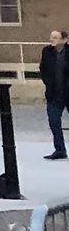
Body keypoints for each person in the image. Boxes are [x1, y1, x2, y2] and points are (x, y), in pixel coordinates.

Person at [42, 28, 69, 160]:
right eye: (51, 37)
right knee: (54, 122)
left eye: (55, 37)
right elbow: (43, 69)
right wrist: (48, 83)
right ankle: (60, 150)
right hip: (54, 94)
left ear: (64, 40)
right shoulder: (46, 51)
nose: (51, 39)